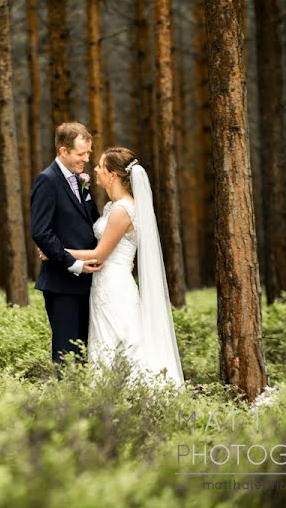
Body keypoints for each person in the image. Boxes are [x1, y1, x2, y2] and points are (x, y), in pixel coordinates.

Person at [63, 146, 184, 386]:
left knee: (119, 339)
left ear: (113, 175)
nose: (95, 169)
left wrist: (58, 252)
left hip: (114, 287)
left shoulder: (122, 210)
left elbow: (99, 254)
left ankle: (130, 396)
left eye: (100, 166)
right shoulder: (112, 206)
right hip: (106, 283)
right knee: (108, 340)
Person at [30, 122, 102, 364]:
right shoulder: (47, 180)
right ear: (63, 151)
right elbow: (41, 232)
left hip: (90, 281)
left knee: (85, 353)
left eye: (88, 153)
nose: (87, 159)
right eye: (81, 154)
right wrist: (73, 263)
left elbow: (90, 224)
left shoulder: (79, 180)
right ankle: (66, 403)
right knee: (67, 355)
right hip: (62, 283)